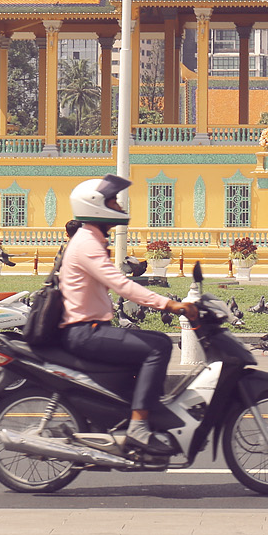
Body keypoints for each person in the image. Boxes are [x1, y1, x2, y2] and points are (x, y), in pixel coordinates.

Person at [57, 173, 196, 456]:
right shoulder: (87, 244)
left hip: (91, 327)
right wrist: (169, 305)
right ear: (96, 207)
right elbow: (121, 284)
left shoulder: (90, 239)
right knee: (158, 345)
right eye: (113, 202)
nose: (119, 207)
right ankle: (138, 427)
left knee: (145, 346)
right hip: (84, 332)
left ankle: (136, 413)